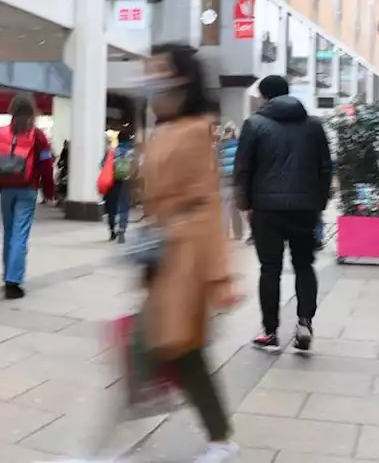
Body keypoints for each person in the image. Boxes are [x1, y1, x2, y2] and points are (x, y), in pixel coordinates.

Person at [141, 43, 241, 463]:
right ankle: (220, 438)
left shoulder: (198, 130)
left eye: (158, 70)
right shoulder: (163, 128)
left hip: (185, 261)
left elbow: (207, 204)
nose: (150, 77)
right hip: (161, 256)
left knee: (167, 350)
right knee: (176, 354)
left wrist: (219, 277)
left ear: (182, 76)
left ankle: (101, 447)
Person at [234, 75, 333, 353]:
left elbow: (243, 169)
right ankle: (304, 322)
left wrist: (245, 206)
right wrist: (319, 203)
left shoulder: (254, 124)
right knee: (304, 265)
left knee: (270, 269)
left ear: (265, 96)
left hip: (266, 209)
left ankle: (270, 331)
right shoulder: (313, 125)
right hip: (305, 208)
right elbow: (325, 167)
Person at [0, 95, 56, 299]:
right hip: (28, 188)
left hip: (6, 188)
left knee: (9, 232)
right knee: (20, 233)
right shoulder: (37, 136)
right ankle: (13, 280)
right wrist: (49, 191)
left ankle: (7, 272)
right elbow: (46, 166)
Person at [103, 126, 138, 243]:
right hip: (127, 181)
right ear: (129, 140)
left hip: (113, 181)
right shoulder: (132, 153)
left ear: (117, 139)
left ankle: (112, 230)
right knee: (124, 206)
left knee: (112, 206)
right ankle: (122, 231)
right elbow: (137, 167)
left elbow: (103, 165)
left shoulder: (112, 152)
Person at [217, 122, 249, 243]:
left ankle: (224, 234)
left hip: (223, 178)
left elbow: (216, 163)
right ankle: (239, 234)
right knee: (238, 206)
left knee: (225, 206)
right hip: (236, 178)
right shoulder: (239, 145)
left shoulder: (220, 147)